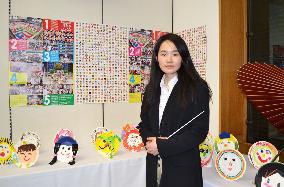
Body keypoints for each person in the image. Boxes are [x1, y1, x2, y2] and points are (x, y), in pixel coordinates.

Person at [138, 33, 211, 187]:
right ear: (157, 58)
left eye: (175, 54)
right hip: (154, 163)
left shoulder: (197, 88)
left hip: (183, 168)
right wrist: (150, 141)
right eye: (164, 54)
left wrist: (164, 146)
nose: (169, 60)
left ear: (183, 57)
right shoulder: (151, 88)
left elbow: (199, 131)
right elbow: (144, 123)